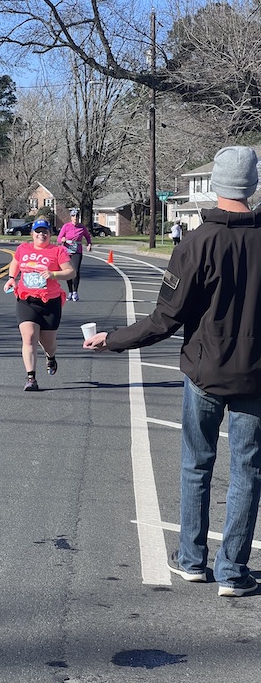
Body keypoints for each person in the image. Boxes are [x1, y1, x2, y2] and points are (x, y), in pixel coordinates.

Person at [83, 145, 261, 598]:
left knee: (196, 465)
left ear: (217, 185)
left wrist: (114, 339)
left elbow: (165, 319)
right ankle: (234, 572)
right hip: (255, 375)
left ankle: (192, 559)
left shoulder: (196, 244)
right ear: (254, 184)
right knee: (248, 471)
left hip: (204, 370)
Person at [4, 219, 75, 392]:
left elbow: (71, 272)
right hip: (26, 299)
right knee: (29, 338)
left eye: (45, 232)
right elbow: (15, 263)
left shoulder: (58, 251)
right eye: (38, 231)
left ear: (50, 235)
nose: (41, 235)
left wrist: (53, 274)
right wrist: (12, 278)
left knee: (48, 343)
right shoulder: (23, 249)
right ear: (32, 234)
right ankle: (31, 378)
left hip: (50, 301)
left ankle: (50, 357)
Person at [56, 209, 92, 301]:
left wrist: (89, 244)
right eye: (73, 216)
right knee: (68, 271)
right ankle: (70, 292)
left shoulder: (81, 227)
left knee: (75, 271)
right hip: (67, 251)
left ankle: (75, 292)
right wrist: (62, 240)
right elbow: (59, 238)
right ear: (71, 217)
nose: (75, 218)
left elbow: (87, 236)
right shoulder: (66, 226)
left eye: (76, 216)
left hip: (77, 251)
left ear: (78, 217)